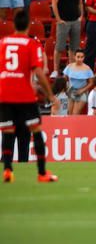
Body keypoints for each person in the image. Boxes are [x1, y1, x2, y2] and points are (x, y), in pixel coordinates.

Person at [1, 10, 60, 183]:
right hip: (24, 94)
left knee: (8, 132)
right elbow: (38, 72)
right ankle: (42, 173)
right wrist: (50, 94)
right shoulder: (31, 44)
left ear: (14, 25)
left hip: (4, 93)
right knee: (36, 131)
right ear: (27, 25)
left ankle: (7, 171)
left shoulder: (3, 42)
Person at [51, 0, 83, 75]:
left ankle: (71, 70)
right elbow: (54, 2)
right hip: (63, 22)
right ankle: (55, 70)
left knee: (74, 48)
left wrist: (81, 16)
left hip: (75, 21)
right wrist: (58, 19)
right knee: (59, 47)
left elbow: (80, 3)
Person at [62, 49, 94, 115]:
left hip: (82, 92)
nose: (79, 59)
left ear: (84, 58)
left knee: (75, 113)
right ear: (74, 57)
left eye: (82, 57)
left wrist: (82, 90)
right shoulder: (69, 66)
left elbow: (91, 82)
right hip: (70, 91)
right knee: (69, 113)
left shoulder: (87, 68)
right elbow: (64, 79)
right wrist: (66, 88)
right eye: (78, 57)